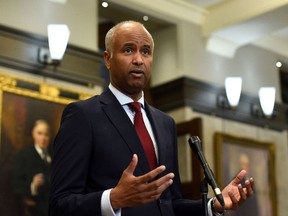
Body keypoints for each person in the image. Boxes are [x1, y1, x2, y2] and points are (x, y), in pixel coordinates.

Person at [49, 20, 254, 216]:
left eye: (145, 51)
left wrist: (212, 205)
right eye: (128, 50)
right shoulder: (83, 116)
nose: (138, 59)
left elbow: (168, 204)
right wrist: (113, 199)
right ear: (108, 59)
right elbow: (59, 205)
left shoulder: (165, 123)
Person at [13, 119, 52, 216]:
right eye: (39, 133)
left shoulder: (54, 155)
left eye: (46, 135)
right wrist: (33, 185)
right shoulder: (24, 155)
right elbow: (16, 184)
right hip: (36, 206)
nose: (43, 138)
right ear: (33, 134)